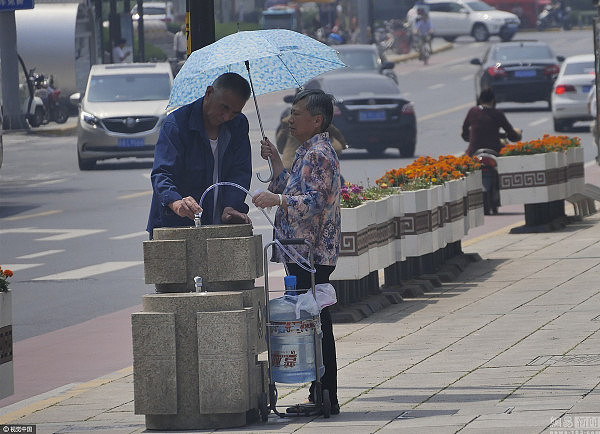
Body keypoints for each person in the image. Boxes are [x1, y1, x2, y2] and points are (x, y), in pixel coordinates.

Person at [252, 89, 342, 415]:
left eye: (298, 112)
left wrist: (277, 201)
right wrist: (276, 160)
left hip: (311, 254)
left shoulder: (319, 154)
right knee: (313, 319)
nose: (292, 118)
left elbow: (313, 202)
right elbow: (291, 185)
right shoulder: (308, 151)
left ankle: (325, 394)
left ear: (317, 120)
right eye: (292, 112)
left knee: (316, 321)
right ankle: (322, 393)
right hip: (300, 253)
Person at [146, 72, 253, 239]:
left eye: (234, 112)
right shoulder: (176, 125)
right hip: (176, 224)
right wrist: (176, 203)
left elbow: (240, 172)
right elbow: (162, 174)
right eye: (224, 107)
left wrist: (231, 206)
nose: (226, 117)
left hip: (220, 224)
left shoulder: (238, 125)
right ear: (209, 93)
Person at [461, 88, 522, 156]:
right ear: (493, 100)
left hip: (473, 151)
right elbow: (509, 131)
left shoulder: (473, 111)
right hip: (495, 150)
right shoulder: (498, 113)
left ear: (480, 100)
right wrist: (517, 134)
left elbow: (465, 129)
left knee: (463, 159)